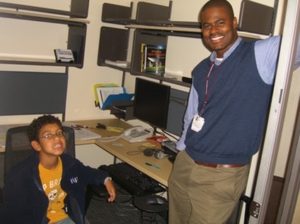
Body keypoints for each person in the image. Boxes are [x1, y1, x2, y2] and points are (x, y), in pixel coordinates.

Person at [168, 0, 300, 224]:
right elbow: (191, 115)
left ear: (234, 22)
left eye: (220, 22)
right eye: (206, 25)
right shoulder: (201, 69)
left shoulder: (260, 55)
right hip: (185, 165)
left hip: (220, 175)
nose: (213, 31)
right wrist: (181, 149)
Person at [1, 114, 116, 224]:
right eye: (48, 135)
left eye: (59, 133)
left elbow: (86, 172)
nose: (56, 138)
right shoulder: (20, 175)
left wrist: (105, 179)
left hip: (63, 217)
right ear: (37, 145)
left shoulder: (69, 163)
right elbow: (12, 215)